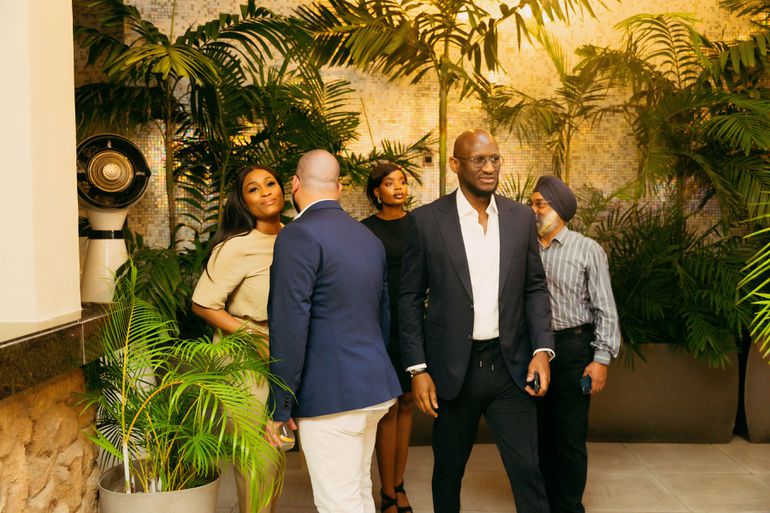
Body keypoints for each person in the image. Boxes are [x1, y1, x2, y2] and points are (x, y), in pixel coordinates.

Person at [399, 128, 554, 513]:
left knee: (528, 469)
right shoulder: (426, 221)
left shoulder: (520, 218)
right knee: (448, 473)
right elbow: (409, 298)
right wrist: (418, 369)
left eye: (494, 159)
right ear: (455, 164)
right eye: (479, 160)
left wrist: (541, 350)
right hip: (454, 371)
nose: (489, 168)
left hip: (510, 367)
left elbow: (535, 287)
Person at [266, 149, 402, 513]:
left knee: (338, 503)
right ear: (339, 187)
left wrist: (280, 405)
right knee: (358, 491)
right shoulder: (368, 238)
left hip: (330, 395)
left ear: (295, 184)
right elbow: (383, 317)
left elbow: (289, 324)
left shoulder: (297, 236)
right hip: (373, 387)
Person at [191, 164, 285, 513]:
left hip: (284, 355)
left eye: (270, 183)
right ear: (243, 202)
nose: (265, 192)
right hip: (244, 362)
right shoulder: (236, 246)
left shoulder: (295, 236)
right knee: (256, 461)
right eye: (253, 189)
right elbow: (202, 303)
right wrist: (252, 336)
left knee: (276, 457)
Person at [529, 176, 621, 513]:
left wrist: (601, 359)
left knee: (569, 436)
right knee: (539, 435)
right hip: (533, 352)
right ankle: (544, 504)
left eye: (540, 204)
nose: (533, 210)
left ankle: (568, 507)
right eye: (532, 204)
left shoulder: (587, 249)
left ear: (560, 208)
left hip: (574, 350)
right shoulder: (525, 249)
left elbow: (604, 307)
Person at [361, 162, 414, 513]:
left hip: (414, 323)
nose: (398, 187)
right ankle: (387, 492)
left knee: (408, 401)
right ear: (376, 191)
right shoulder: (365, 230)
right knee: (389, 407)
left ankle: (399, 483)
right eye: (389, 182)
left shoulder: (420, 225)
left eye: (402, 181)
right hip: (380, 323)